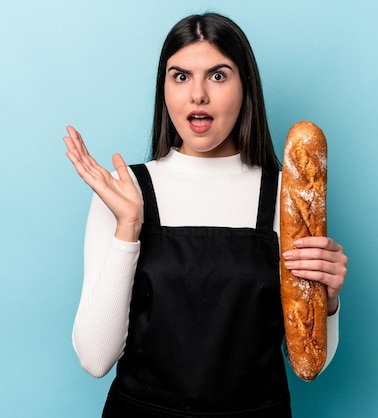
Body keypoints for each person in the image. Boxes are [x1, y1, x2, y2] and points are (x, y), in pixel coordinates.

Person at [63, 12, 348, 418]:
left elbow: (307, 366)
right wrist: (128, 227)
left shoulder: (289, 194)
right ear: (164, 89)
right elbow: (95, 359)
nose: (198, 94)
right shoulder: (125, 192)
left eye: (218, 76)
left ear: (245, 87)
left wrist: (329, 302)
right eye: (180, 77)